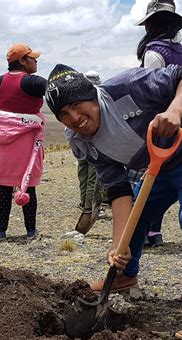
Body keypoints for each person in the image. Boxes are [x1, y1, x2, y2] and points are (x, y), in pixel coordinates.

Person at [45, 63, 182, 340]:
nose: (74, 117)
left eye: (77, 105)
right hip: (160, 164)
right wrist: (118, 247)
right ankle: (124, 274)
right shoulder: (81, 139)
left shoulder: (128, 86)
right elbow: (118, 190)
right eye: (64, 113)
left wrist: (175, 111)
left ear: (92, 95)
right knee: (137, 215)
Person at [127, 0, 182, 247]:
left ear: (150, 25)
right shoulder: (178, 50)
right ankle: (154, 231)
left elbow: (151, 90)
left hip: (157, 120)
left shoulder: (153, 52)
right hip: (179, 118)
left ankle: (139, 231)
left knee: (143, 177)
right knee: (160, 178)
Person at [0, 43, 46, 239]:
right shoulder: (31, 82)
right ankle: (31, 231)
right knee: (28, 185)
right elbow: (54, 88)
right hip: (27, 142)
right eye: (32, 58)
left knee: (4, 186)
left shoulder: (0, 81)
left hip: (2, 144)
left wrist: (1, 124)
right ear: (22, 61)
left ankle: (1, 231)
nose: (36, 61)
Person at [74, 70, 109, 233]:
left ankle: (86, 205)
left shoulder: (75, 97)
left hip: (79, 143)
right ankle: (90, 208)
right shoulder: (98, 98)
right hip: (94, 144)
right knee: (92, 179)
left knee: (84, 175)